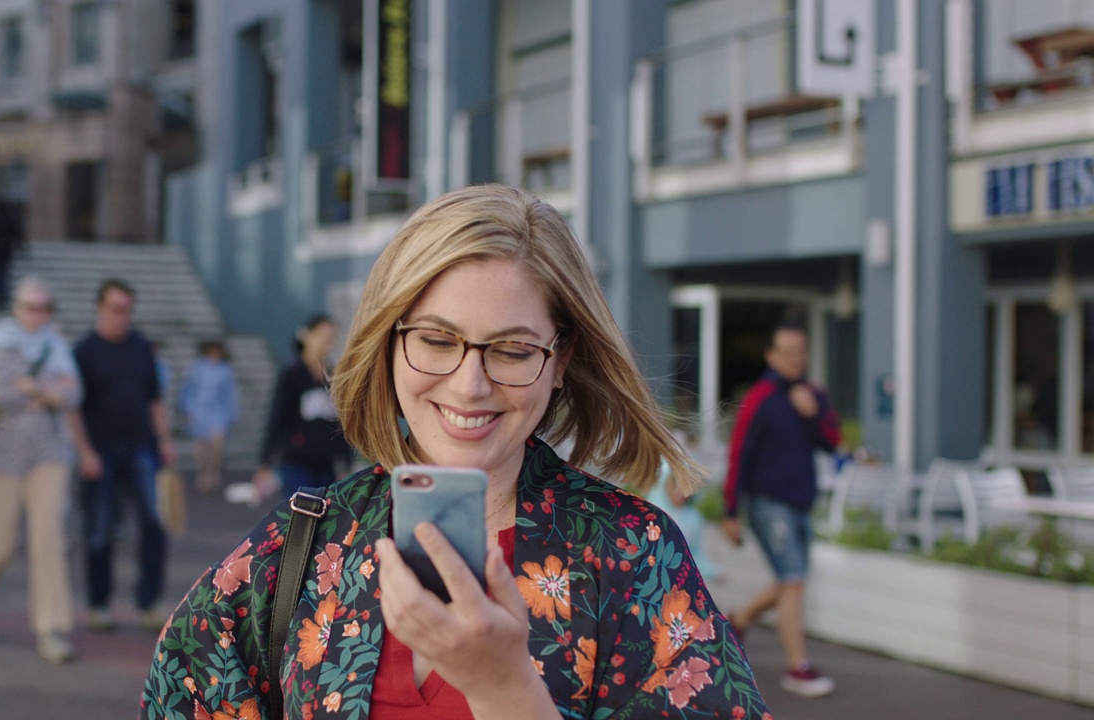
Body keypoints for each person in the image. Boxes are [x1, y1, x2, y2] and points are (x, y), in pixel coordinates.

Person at [140, 184, 770, 719]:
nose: (470, 384)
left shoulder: (633, 555)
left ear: (562, 360)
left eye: (514, 350)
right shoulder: (301, 547)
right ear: (388, 342)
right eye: (437, 340)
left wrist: (506, 690)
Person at [0, 277, 81, 664]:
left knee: (49, 539)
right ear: (16, 307)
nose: (36, 315)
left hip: (49, 453)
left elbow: (75, 394)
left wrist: (32, 388)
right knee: (1, 541)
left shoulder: (57, 345)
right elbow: (0, 393)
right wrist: (49, 392)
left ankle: (52, 628)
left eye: (44, 308)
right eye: (29, 306)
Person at [722, 322, 841, 697]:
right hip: (767, 503)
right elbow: (739, 453)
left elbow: (832, 442)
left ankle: (737, 621)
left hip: (801, 502)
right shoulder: (760, 398)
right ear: (772, 356)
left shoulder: (812, 394)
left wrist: (812, 414)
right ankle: (798, 668)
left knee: (792, 580)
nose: (795, 359)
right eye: (787, 352)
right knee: (792, 580)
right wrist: (730, 511)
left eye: (800, 352)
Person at [68, 279, 177, 633]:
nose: (121, 316)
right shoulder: (84, 351)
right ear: (100, 308)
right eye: (115, 309)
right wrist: (84, 451)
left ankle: (149, 601)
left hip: (141, 448)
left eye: (127, 309)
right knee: (99, 529)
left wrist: (164, 439)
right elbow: (73, 409)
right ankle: (99, 603)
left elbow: (154, 398)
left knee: (153, 524)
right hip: (100, 452)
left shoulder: (142, 347)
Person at [249, 315, 353, 501]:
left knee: (325, 517)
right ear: (306, 336)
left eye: (331, 338)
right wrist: (265, 462)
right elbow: (277, 417)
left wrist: (345, 463)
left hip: (325, 461)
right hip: (296, 460)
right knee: (300, 515)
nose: (326, 342)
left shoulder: (334, 375)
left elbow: (340, 423)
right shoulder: (292, 375)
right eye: (322, 336)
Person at [178, 340, 240, 495]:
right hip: (199, 412)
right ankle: (203, 475)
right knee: (202, 448)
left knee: (216, 447)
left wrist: (231, 415)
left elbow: (229, 395)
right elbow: (188, 390)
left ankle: (213, 474)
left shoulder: (225, 371)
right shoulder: (197, 368)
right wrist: (187, 409)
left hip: (217, 413)